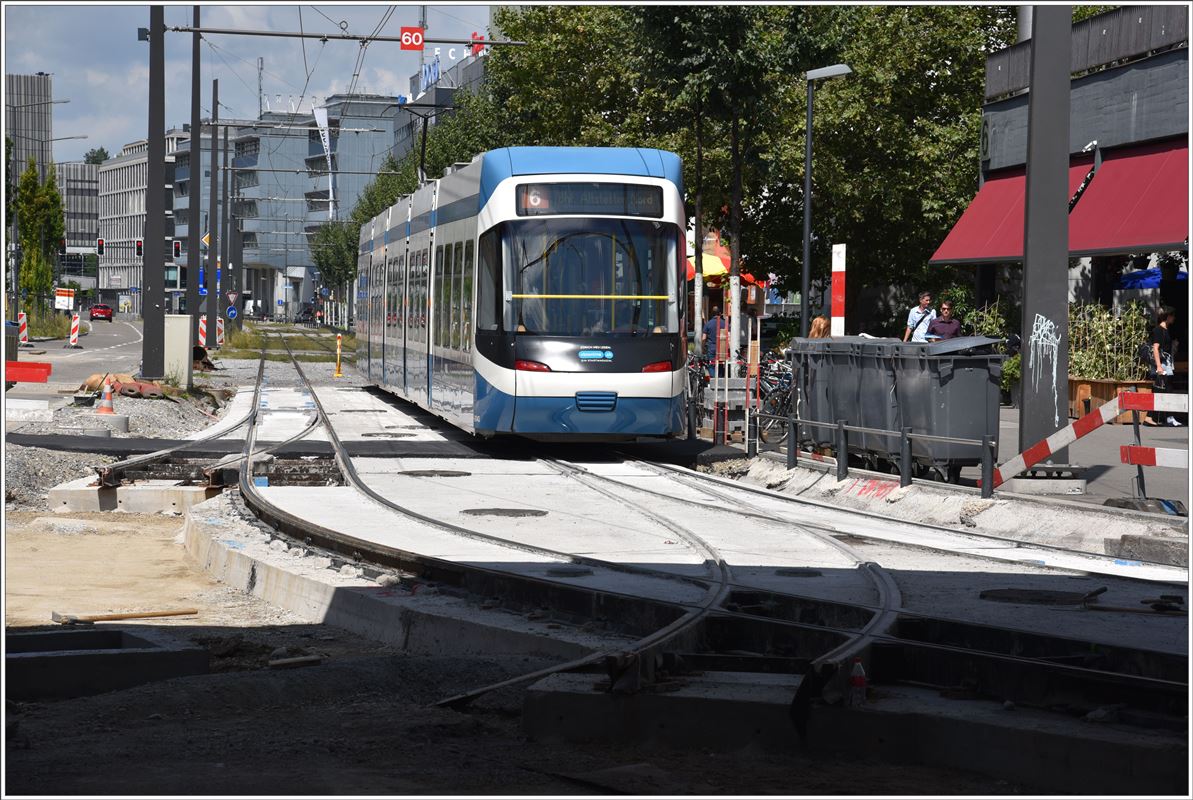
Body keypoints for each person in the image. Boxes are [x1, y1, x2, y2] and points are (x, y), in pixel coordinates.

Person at [1149, 306, 1181, 426]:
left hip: (1166, 363)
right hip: (1162, 364)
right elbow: (1155, 348)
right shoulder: (1158, 330)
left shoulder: (1166, 329)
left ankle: (1160, 417)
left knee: (1163, 389)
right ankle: (1167, 417)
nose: (1174, 318)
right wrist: (1158, 366)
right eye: (1172, 315)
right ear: (1168, 316)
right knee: (1164, 389)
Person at [701, 305, 729, 377]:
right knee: (721, 365)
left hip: (712, 348)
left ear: (712, 314)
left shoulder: (708, 324)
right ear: (720, 313)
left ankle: (713, 381)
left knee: (711, 365)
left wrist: (703, 348)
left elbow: (704, 338)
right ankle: (720, 381)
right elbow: (728, 336)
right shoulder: (725, 324)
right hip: (722, 348)